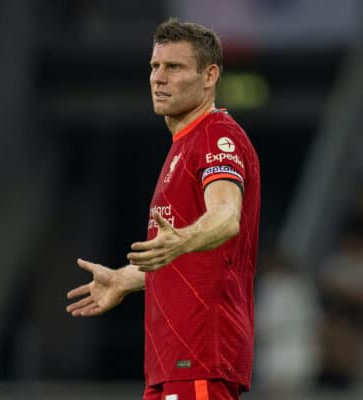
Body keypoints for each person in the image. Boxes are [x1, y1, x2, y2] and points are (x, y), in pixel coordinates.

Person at [66, 18, 260, 400]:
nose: (158, 78)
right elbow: (185, 252)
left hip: (200, 357)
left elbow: (225, 216)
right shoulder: (183, 145)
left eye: (174, 67)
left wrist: (182, 240)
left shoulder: (217, 136)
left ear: (210, 76)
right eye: (155, 66)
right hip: (172, 363)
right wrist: (125, 278)